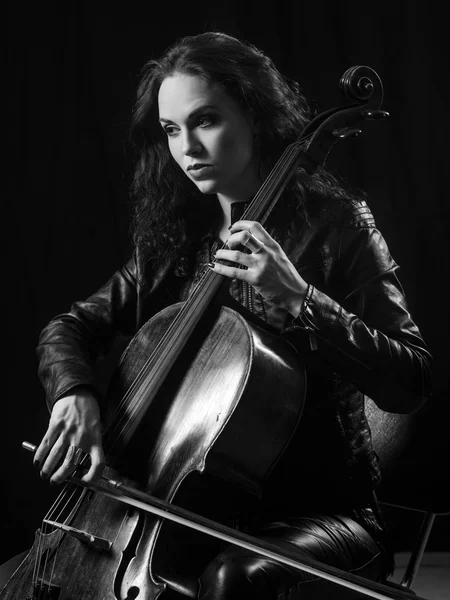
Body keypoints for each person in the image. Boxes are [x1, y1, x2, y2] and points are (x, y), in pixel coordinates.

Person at [15, 31, 434, 599]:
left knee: (229, 581)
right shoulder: (174, 241)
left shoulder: (337, 227)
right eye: (170, 130)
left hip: (322, 516)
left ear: (255, 118)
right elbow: (69, 327)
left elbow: (412, 379)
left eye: (205, 120)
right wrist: (74, 392)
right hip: (200, 509)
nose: (187, 147)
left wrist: (301, 298)